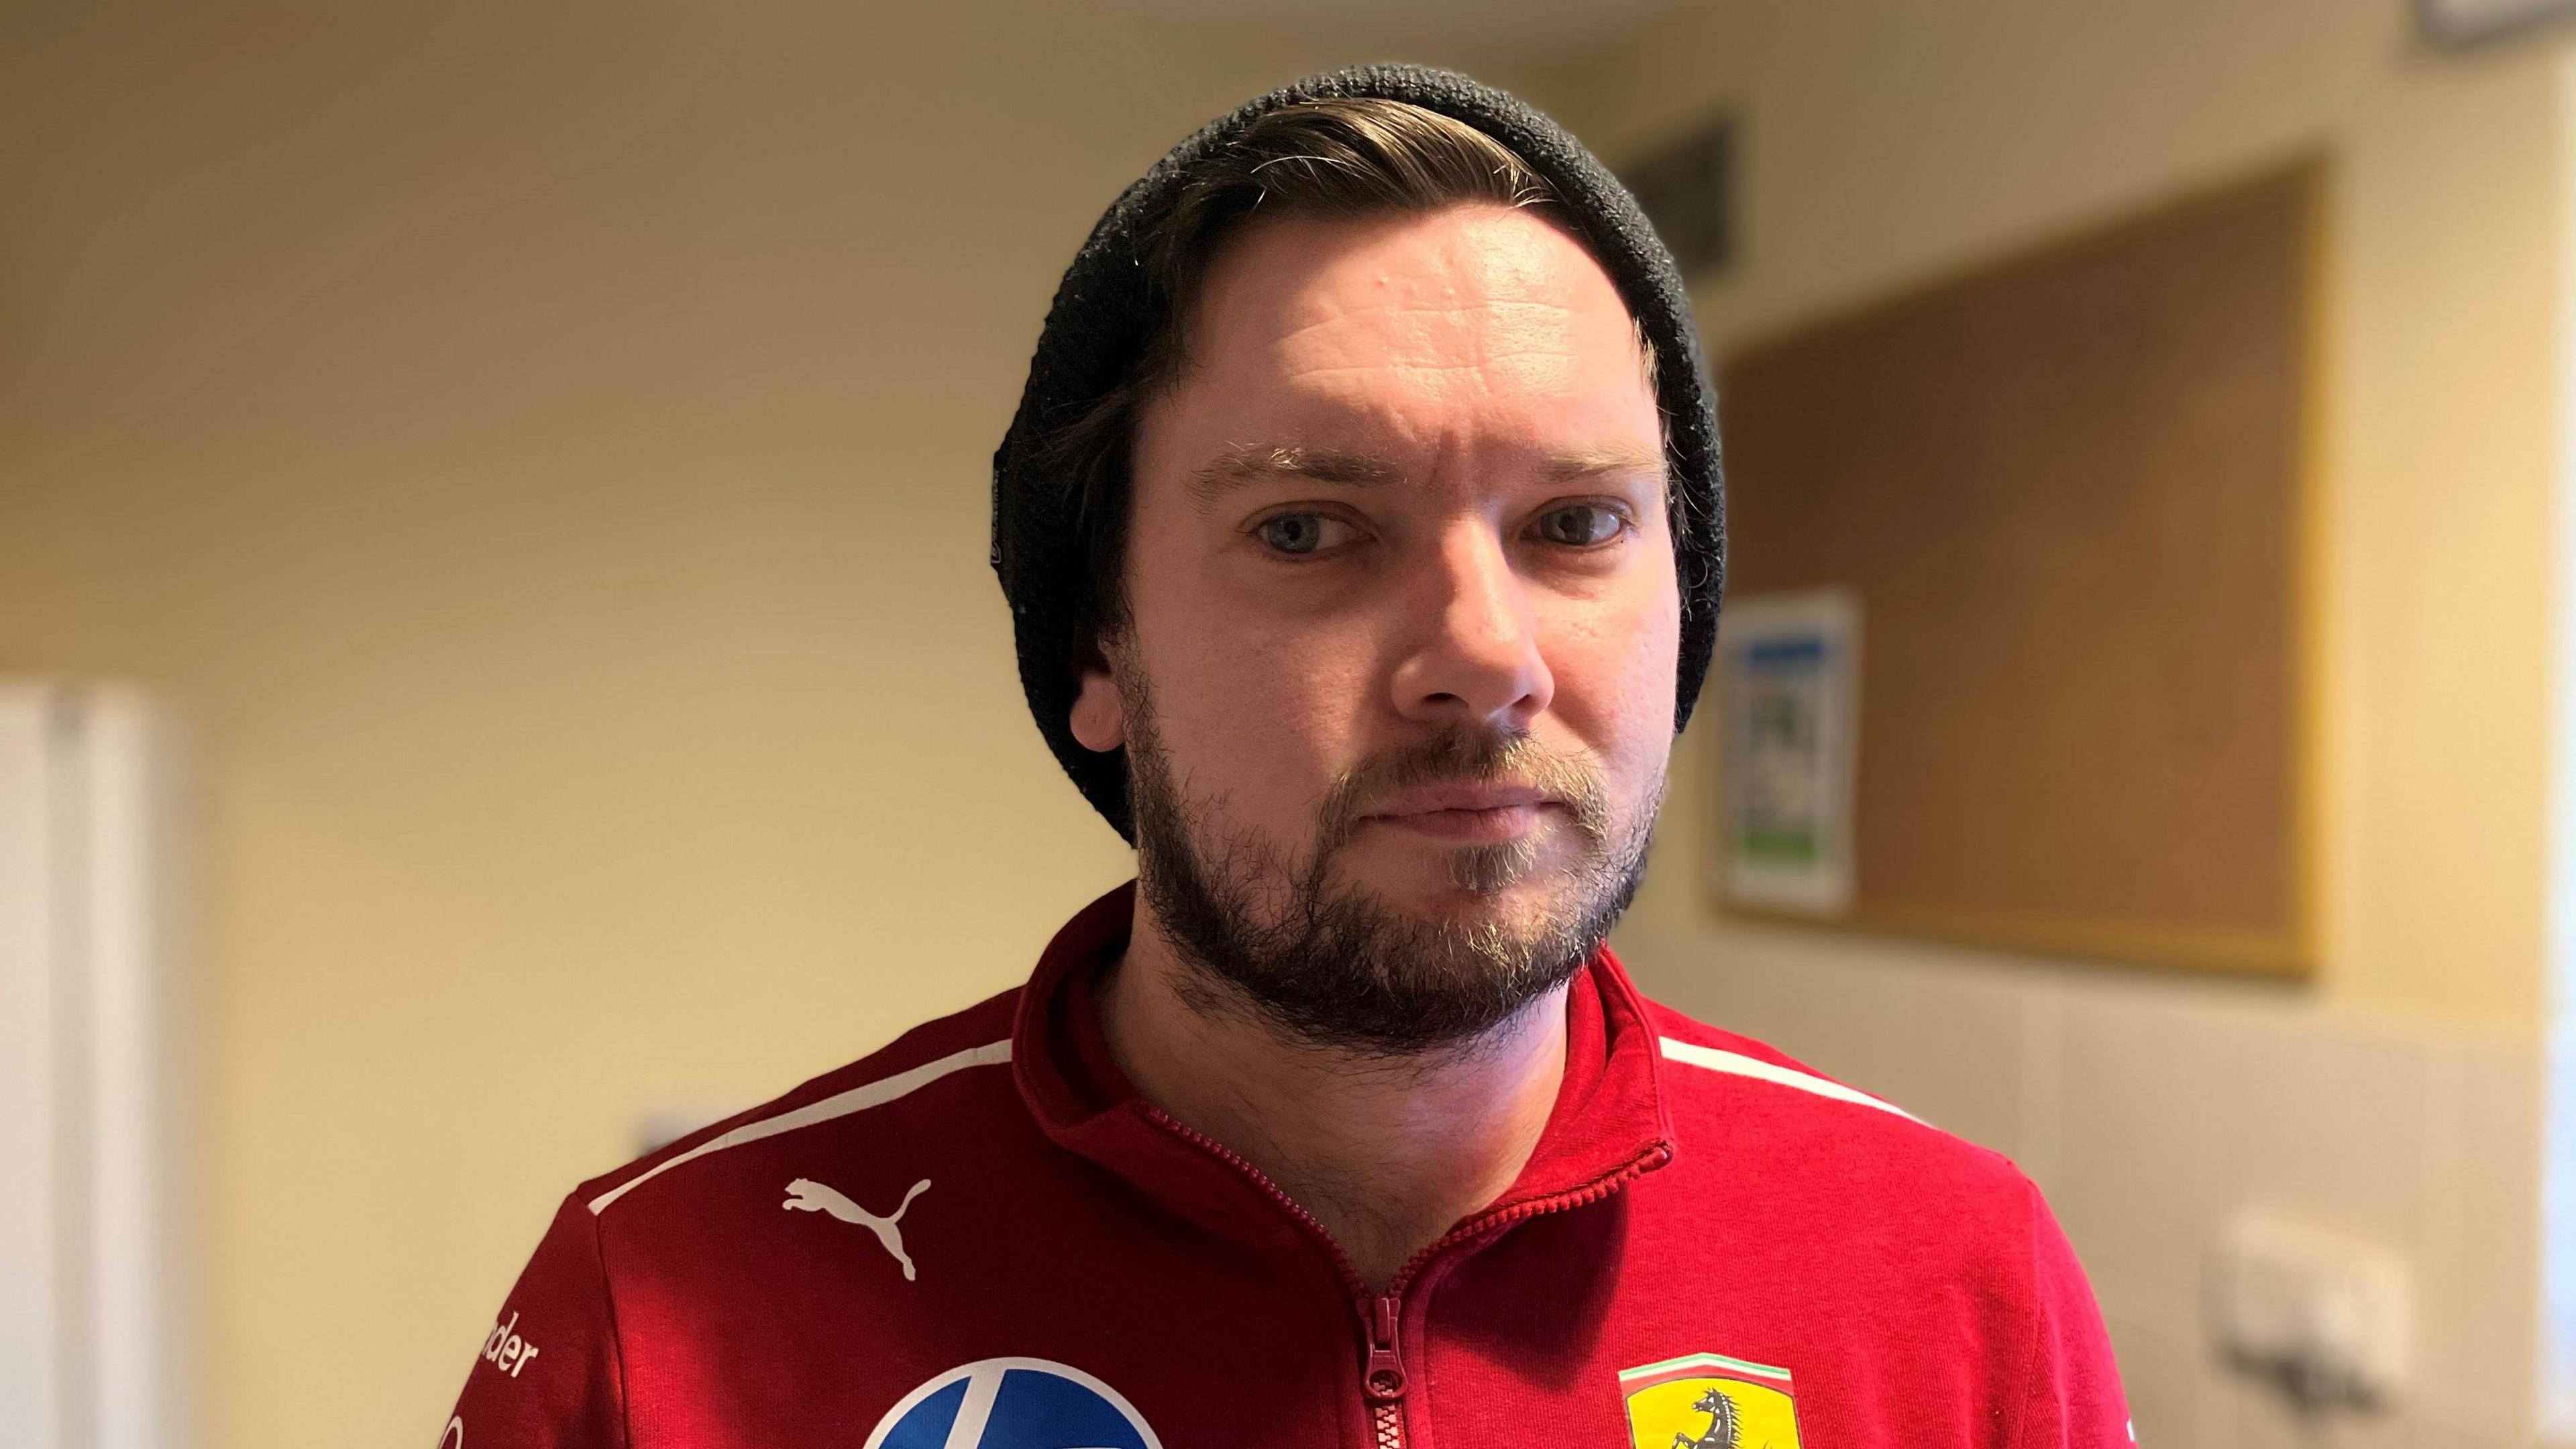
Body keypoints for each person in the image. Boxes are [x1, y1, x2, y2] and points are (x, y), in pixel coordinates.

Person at [441, 65, 2129, 1449]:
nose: (1487, 655)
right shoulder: (658, 1322)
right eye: (1312, 528)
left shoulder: (1959, 1284)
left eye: (1576, 524)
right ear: (1096, 642)